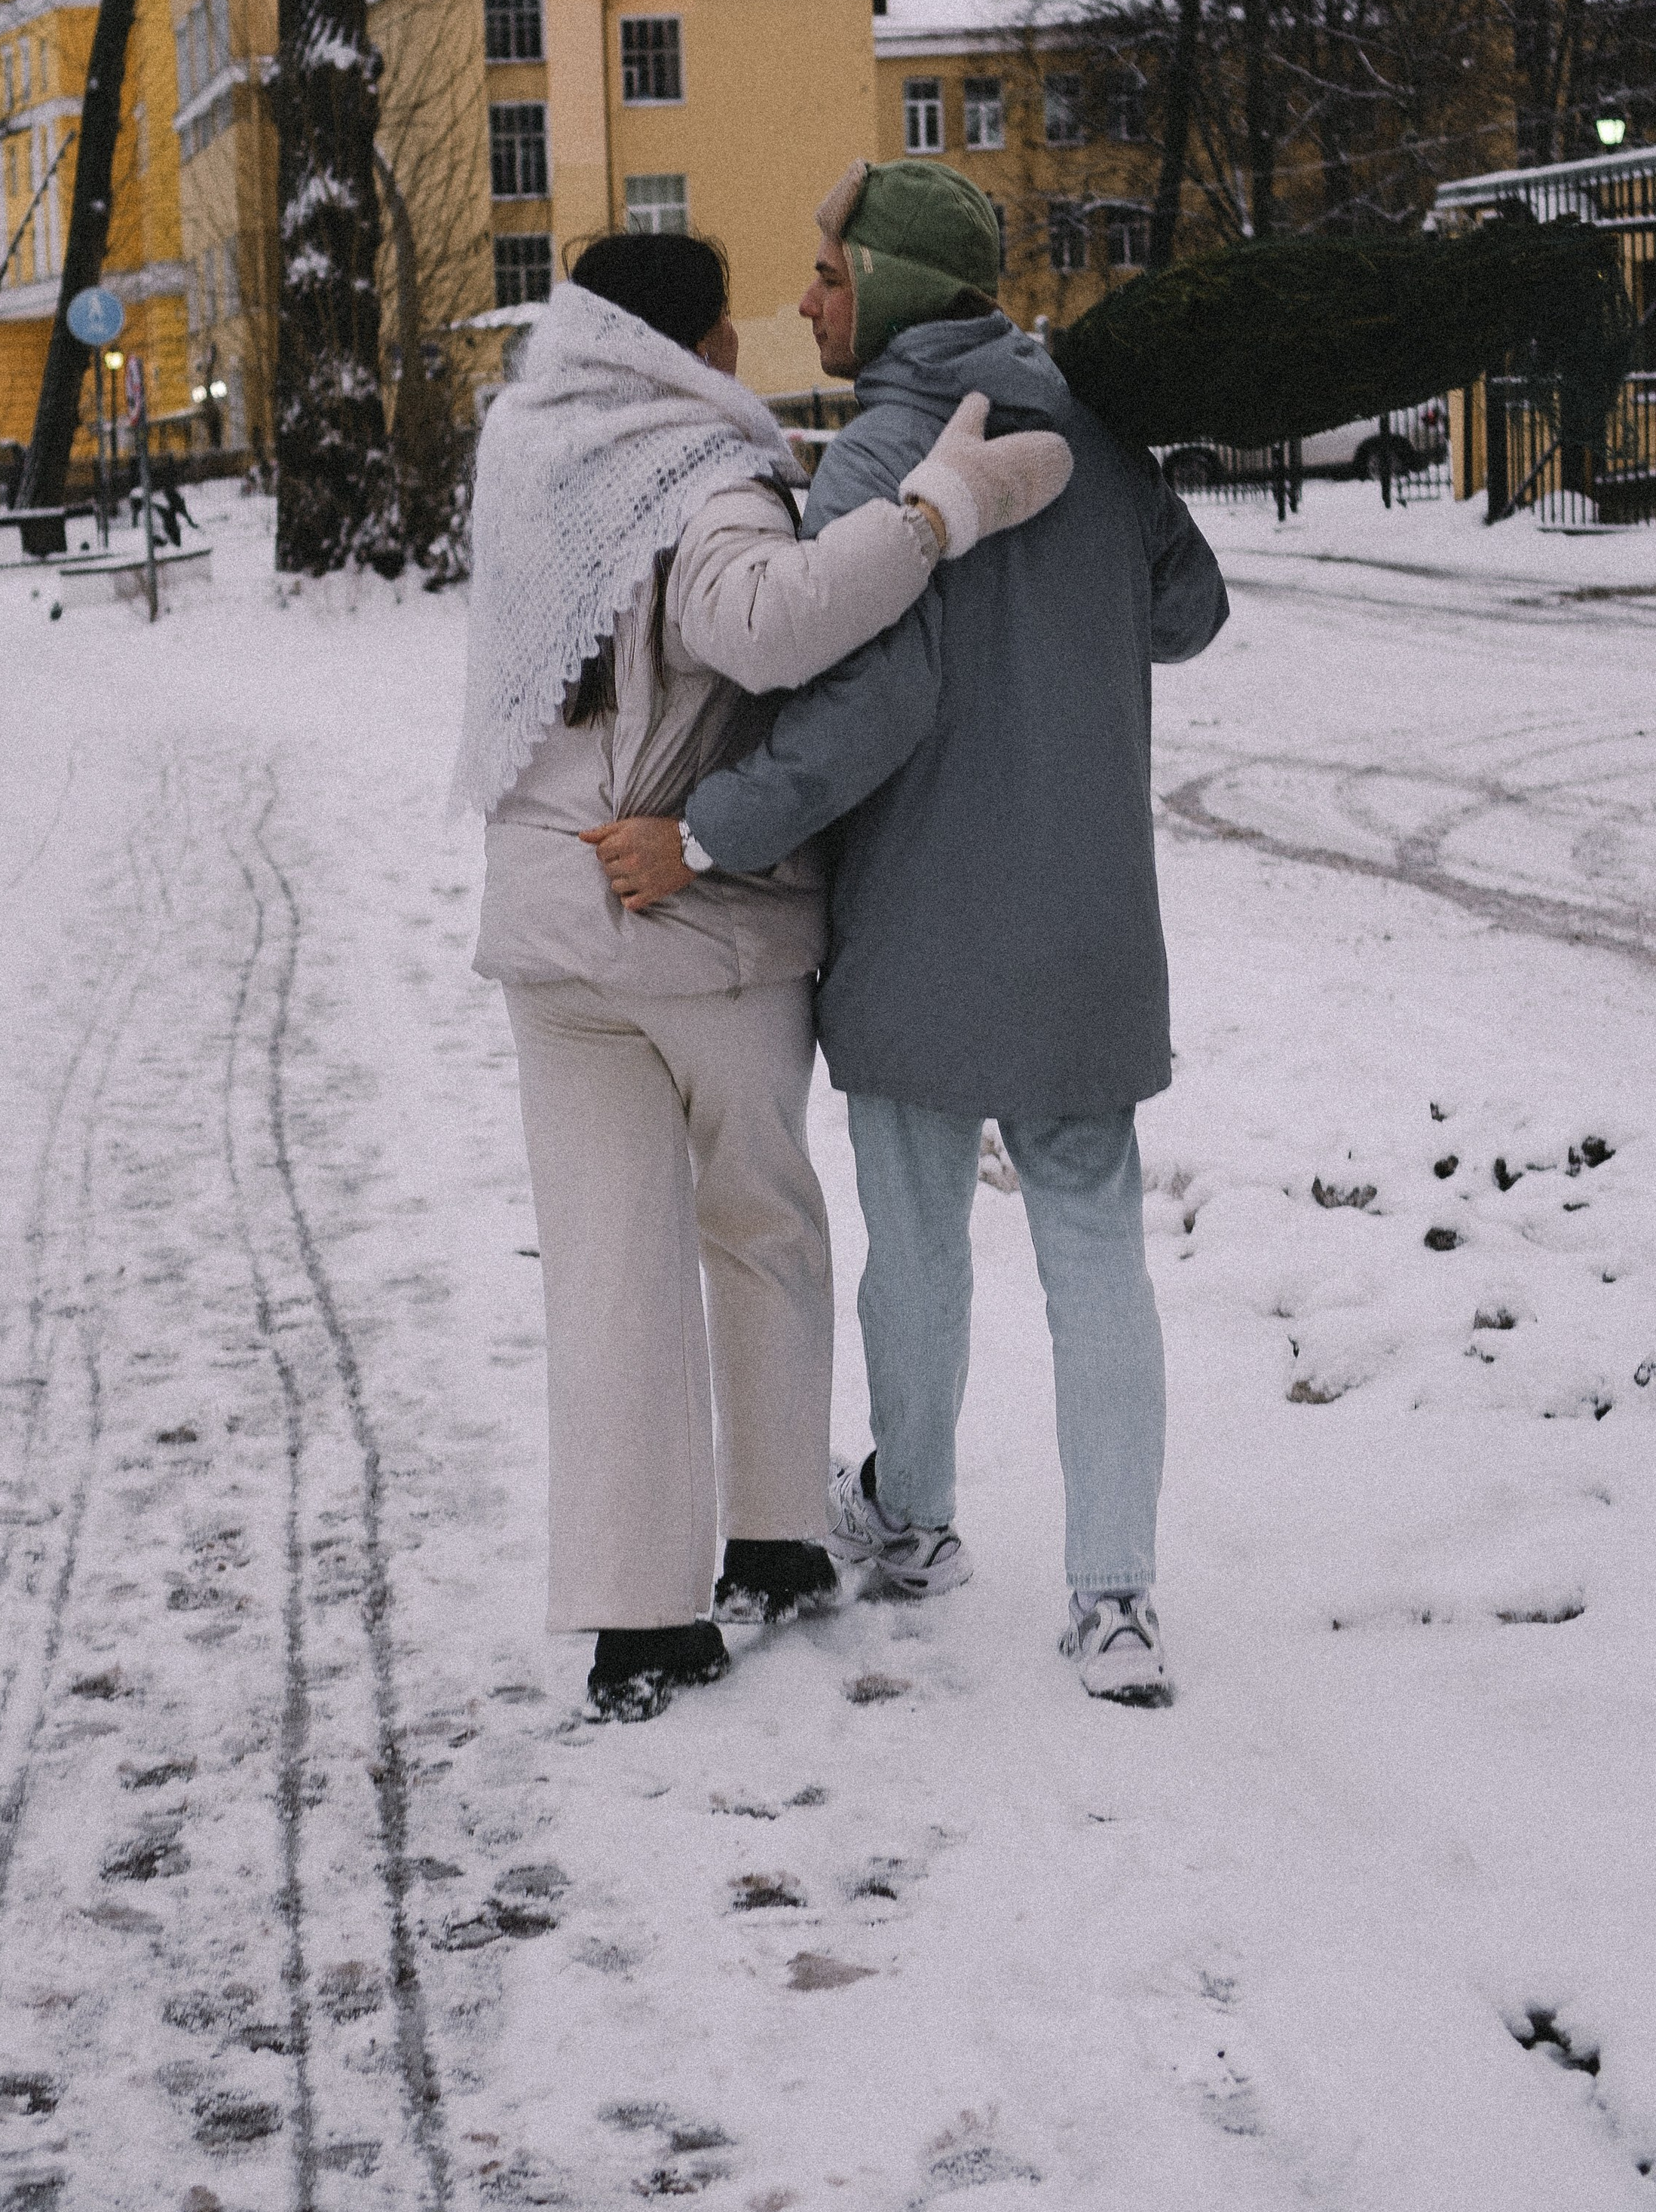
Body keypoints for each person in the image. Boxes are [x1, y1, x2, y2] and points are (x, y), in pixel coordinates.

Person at [586, 161, 1229, 1705]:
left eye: (824, 270)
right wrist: (1132, 475)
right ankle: (1114, 1595)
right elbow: (1184, 616)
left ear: (887, 281)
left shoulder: (874, 454)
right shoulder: (1092, 423)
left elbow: (862, 712)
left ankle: (921, 1517)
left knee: (916, 1241)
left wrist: (709, 835)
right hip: (1084, 925)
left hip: (918, 921)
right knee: (1094, 1252)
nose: (803, 298)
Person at [457, 226, 1073, 1721]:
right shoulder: (698, 471)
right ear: (695, 350)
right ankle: (776, 1540)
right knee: (761, 1227)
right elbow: (763, 624)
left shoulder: (519, 452)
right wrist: (936, 508)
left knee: (606, 1266)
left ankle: (634, 1619)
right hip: (693, 925)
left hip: (546, 920)